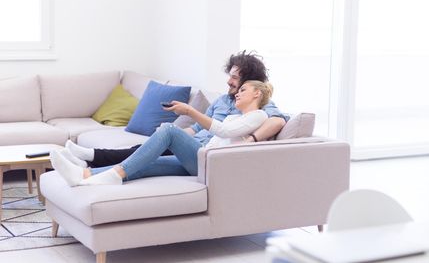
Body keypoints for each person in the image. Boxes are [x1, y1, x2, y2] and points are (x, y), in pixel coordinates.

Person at [60, 50, 287, 169]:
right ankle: (88, 163)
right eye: (230, 75)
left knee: (152, 149)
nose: (229, 82)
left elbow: (278, 121)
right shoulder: (220, 101)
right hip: (193, 144)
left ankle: (89, 159)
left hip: (203, 153)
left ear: (251, 85)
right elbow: (197, 128)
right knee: (149, 146)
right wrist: (172, 134)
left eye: (236, 78)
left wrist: (252, 140)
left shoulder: (259, 106)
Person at [51, 80, 274, 186]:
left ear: (257, 94)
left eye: (243, 90)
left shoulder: (259, 116)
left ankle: (110, 173)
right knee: (145, 163)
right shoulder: (236, 116)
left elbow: (223, 130)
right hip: (202, 160)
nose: (237, 93)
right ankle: (84, 176)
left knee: (168, 130)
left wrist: (189, 110)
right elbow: (220, 133)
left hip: (213, 166)